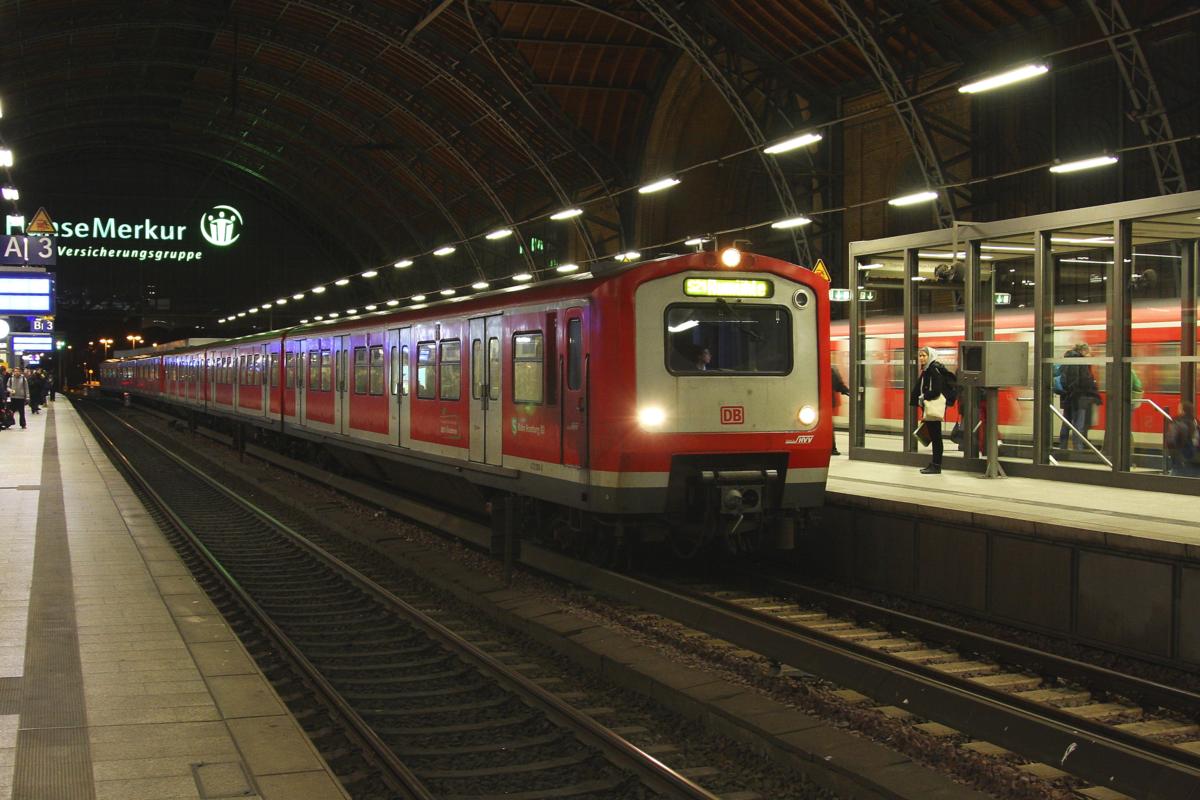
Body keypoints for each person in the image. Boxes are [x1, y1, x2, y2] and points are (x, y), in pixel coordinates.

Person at [911, 346, 948, 474]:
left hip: (932, 407)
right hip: (928, 407)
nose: (921, 358)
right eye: (920, 356)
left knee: (936, 437)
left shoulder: (933, 370)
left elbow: (937, 390)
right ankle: (934, 464)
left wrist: (924, 396)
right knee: (934, 436)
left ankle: (936, 465)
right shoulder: (927, 370)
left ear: (930, 356)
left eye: (924, 356)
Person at [1061, 343, 1101, 450]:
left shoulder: (1067, 359)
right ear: (1082, 351)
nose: (1088, 355)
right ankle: (1078, 450)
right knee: (1079, 424)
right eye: (1087, 353)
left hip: (1067, 397)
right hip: (1078, 398)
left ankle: (1063, 447)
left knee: (1066, 423)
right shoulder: (1079, 361)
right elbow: (1085, 380)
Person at [1166, 401, 1199, 477]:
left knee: (1176, 473)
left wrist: (1172, 451)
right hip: (1193, 454)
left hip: (1180, 455)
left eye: (1179, 408)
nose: (1178, 410)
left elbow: (1171, 441)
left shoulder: (1178, 422)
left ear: (1183, 410)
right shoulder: (1195, 422)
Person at [831, 364, 850, 455]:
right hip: (825, 401)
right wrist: (846, 390)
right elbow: (838, 383)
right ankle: (832, 448)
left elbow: (837, 383)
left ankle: (832, 448)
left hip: (820, 401)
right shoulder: (831, 367)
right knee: (828, 426)